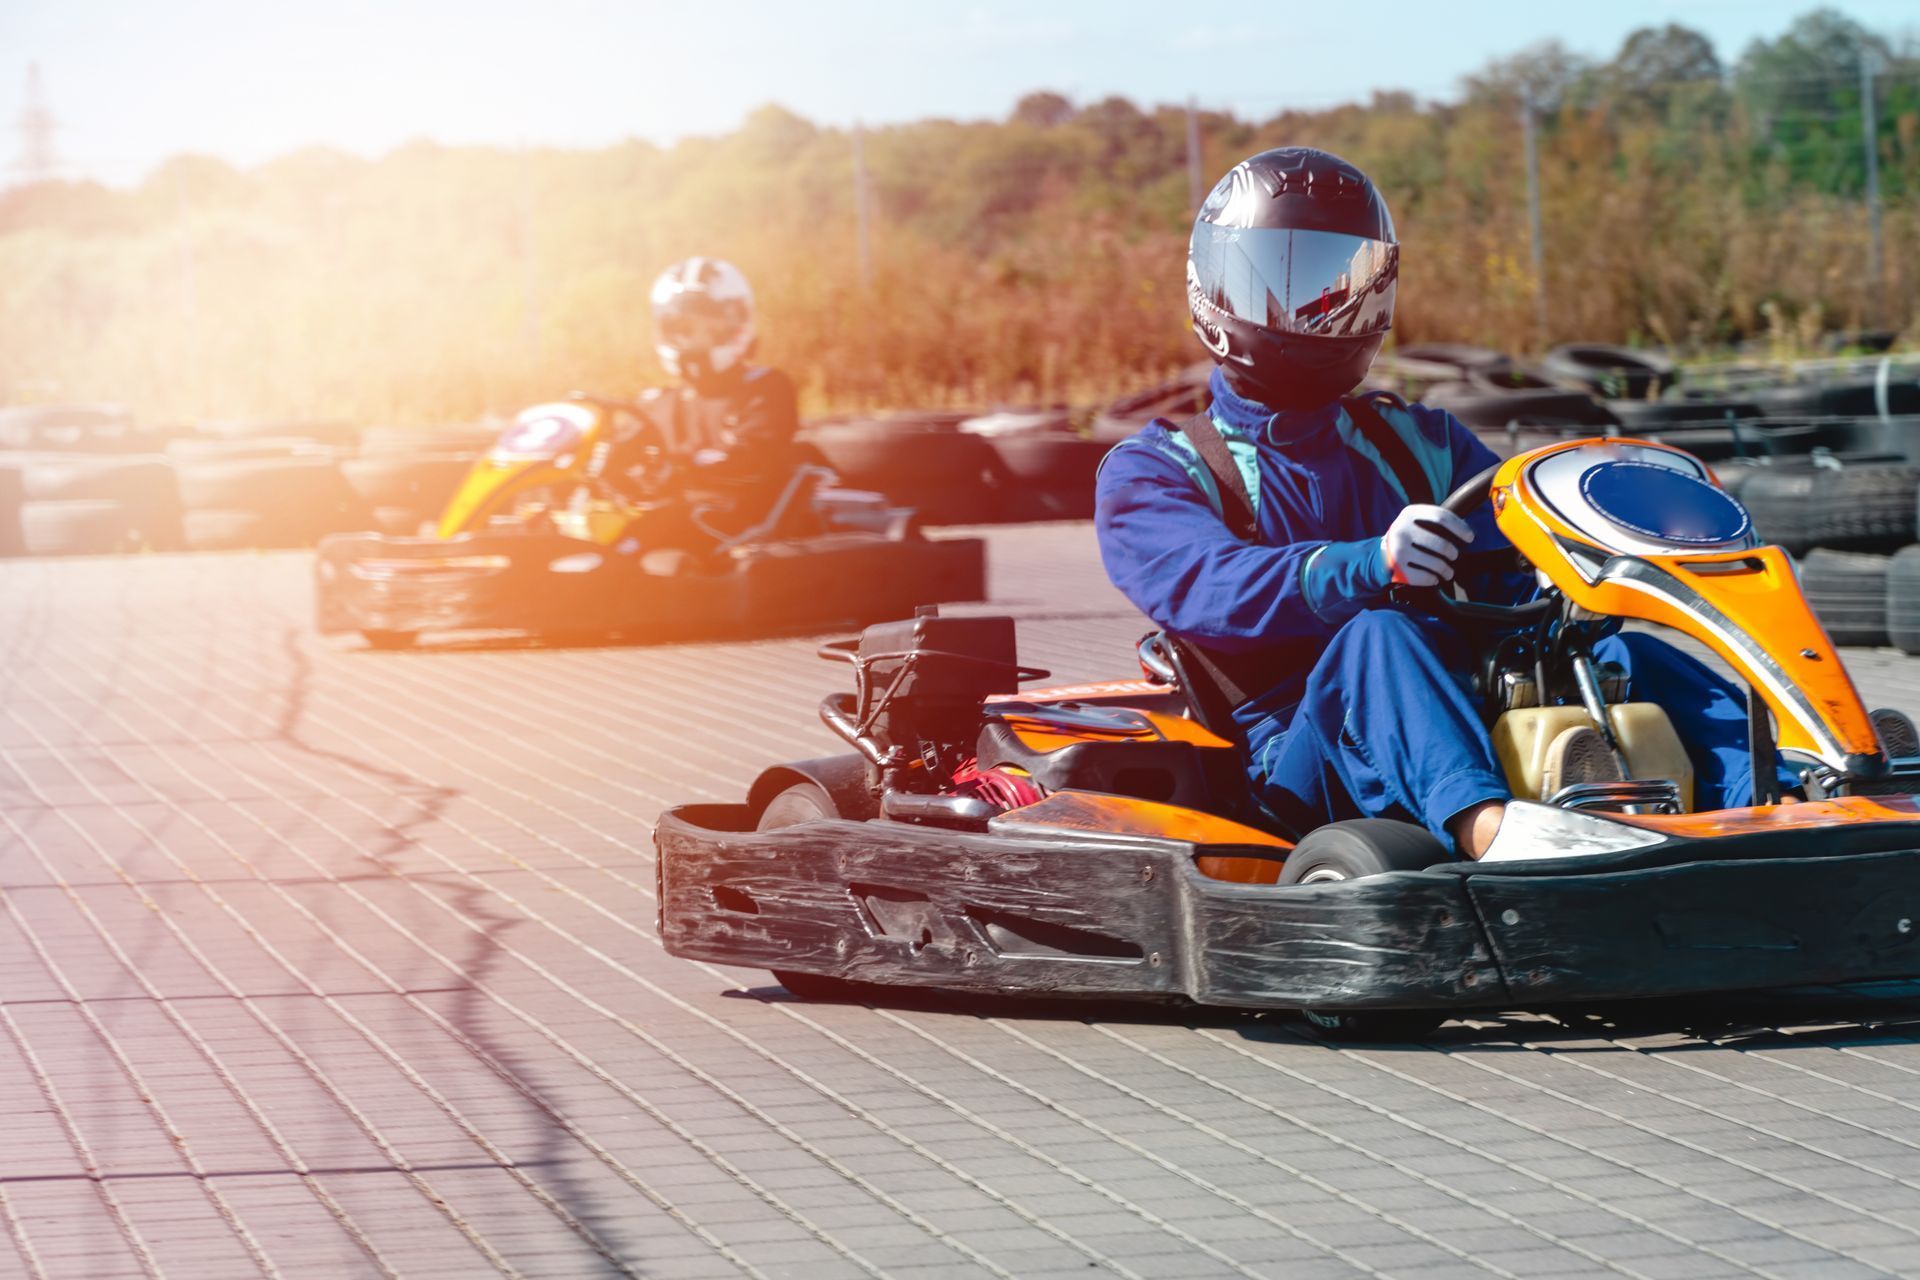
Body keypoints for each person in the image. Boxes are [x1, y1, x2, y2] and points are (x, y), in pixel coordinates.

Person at [1094, 147, 1794, 858]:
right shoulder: (1156, 470)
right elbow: (1210, 590)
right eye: (1289, 279)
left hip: (1460, 699)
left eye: (1345, 280)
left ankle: (1786, 797)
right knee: (1380, 634)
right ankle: (1489, 832)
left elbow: (1519, 551)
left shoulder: (1418, 441)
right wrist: (1370, 563)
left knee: (1621, 648)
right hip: (1294, 758)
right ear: (1215, 288)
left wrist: (1617, 543)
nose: (1321, 307)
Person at [598, 257, 803, 545]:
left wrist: (676, 469)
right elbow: (617, 458)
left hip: (734, 530)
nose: (691, 338)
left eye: (704, 325)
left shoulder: (767, 388)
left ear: (733, 324)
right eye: (681, 328)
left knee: (649, 534)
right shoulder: (655, 404)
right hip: (666, 524)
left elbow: (754, 464)